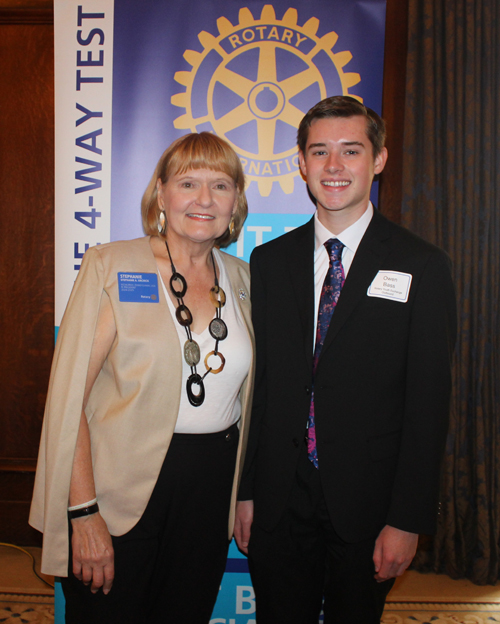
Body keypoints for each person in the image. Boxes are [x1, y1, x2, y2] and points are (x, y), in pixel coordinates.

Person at [234, 96, 457, 623]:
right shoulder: (270, 262)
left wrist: (407, 521)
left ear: (378, 160)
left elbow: (429, 406)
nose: (334, 167)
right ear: (302, 164)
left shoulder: (421, 265)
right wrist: (246, 495)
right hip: (279, 499)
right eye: (320, 152)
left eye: (350, 151)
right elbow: (261, 391)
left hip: (370, 507)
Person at [30, 132, 255, 624]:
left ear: (235, 201)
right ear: (161, 192)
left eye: (220, 186)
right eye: (188, 183)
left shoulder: (243, 279)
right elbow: (71, 401)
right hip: (117, 488)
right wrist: (83, 512)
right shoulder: (112, 265)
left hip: (210, 487)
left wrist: (245, 493)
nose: (203, 199)